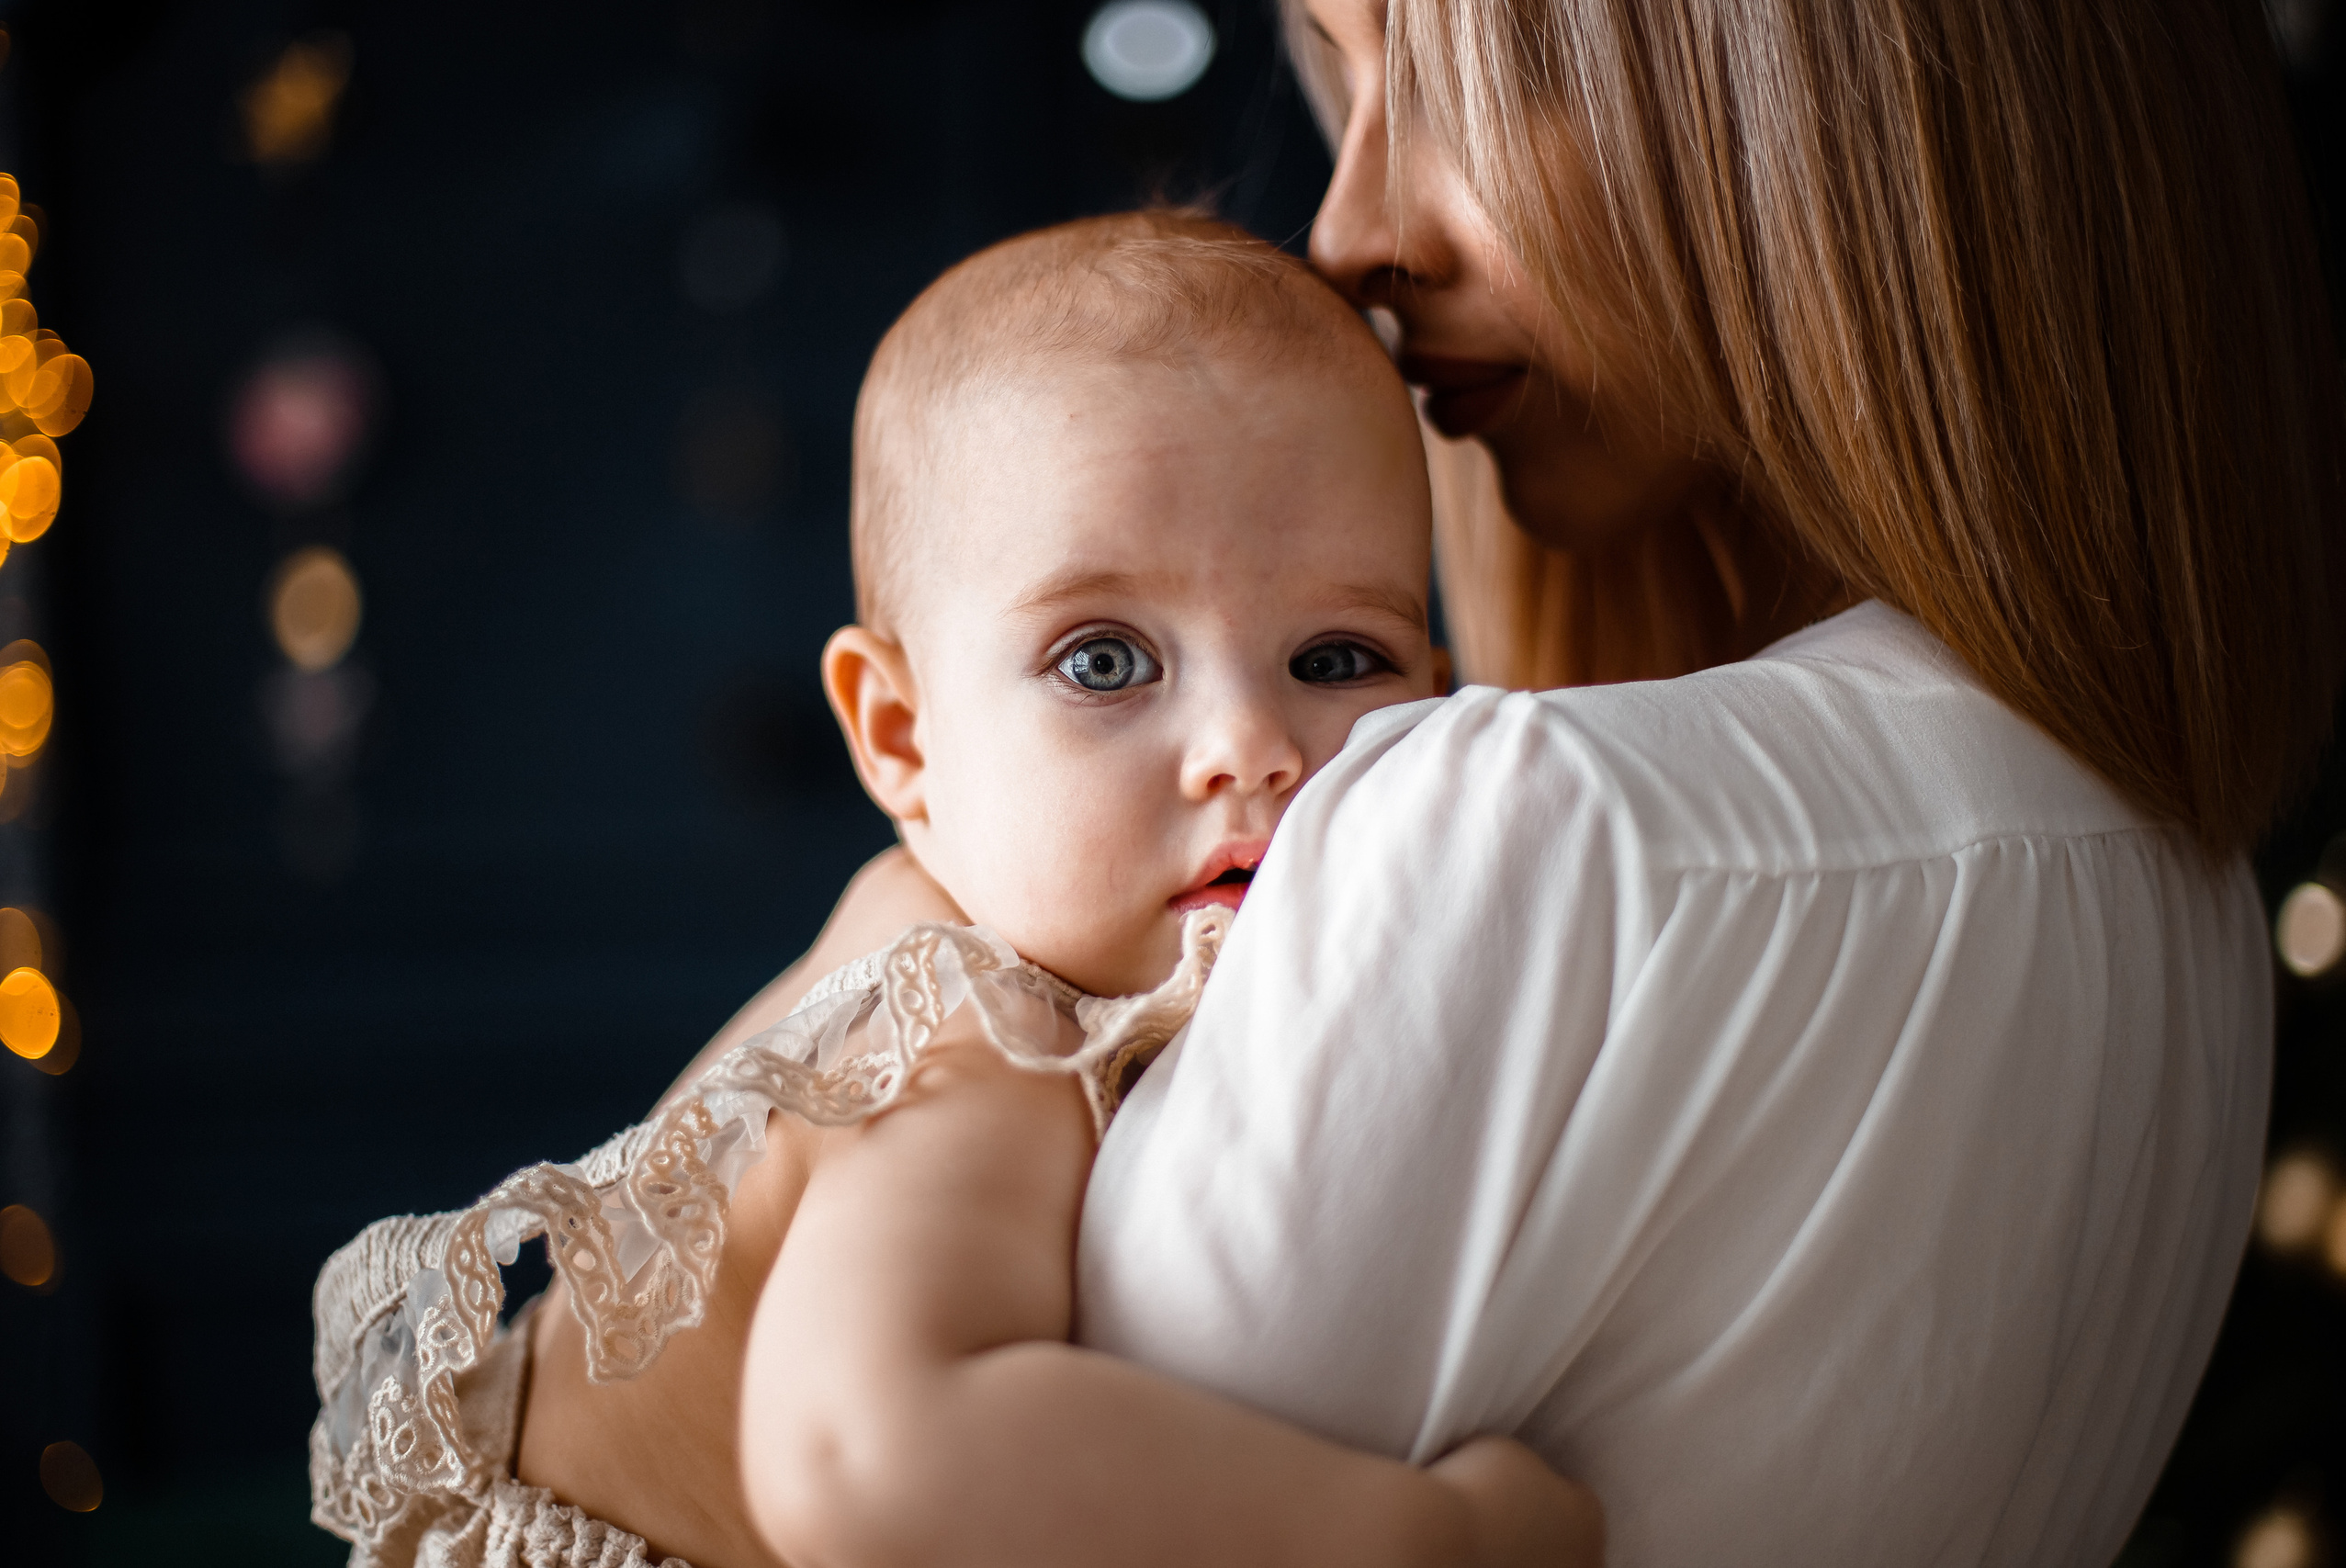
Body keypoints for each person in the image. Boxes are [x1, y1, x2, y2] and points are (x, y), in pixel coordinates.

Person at [784, 0, 2346, 1562]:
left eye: (1470, 85)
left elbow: (862, 1471)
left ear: (1816, 85)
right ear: (897, 732)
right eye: (1105, 662)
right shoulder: (2177, 893)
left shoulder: (1540, 828)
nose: (1348, 235)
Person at [309, 210, 1598, 1568]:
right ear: (903, 738)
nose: (1250, 748)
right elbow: (868, 1462)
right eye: (1106, 663)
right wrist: (1433, 1533)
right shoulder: (967, 1020)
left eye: (1339, 659)